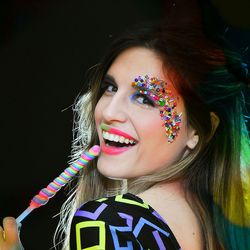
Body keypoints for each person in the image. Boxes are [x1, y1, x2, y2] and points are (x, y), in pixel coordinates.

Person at [1, 2, 250, 250]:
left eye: (144, 98)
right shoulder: (225, 234)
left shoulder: (110, 222)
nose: (108, 112)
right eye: (110, 88)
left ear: (198, 130)